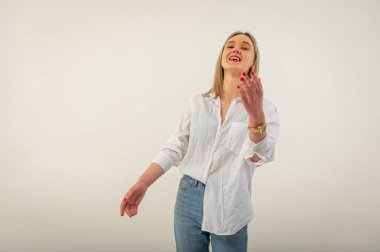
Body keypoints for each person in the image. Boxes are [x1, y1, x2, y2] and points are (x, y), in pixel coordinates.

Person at [120, 31, 280, 252]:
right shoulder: (198, 103)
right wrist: (143, 183)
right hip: (189, 196)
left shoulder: (266, 109)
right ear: (221, 57)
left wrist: (255, 116)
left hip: (231, 201)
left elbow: (257, 157)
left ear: (253, 61)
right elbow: (174, 147)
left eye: (245, 47)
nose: (236, 49)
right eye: (230, 46)